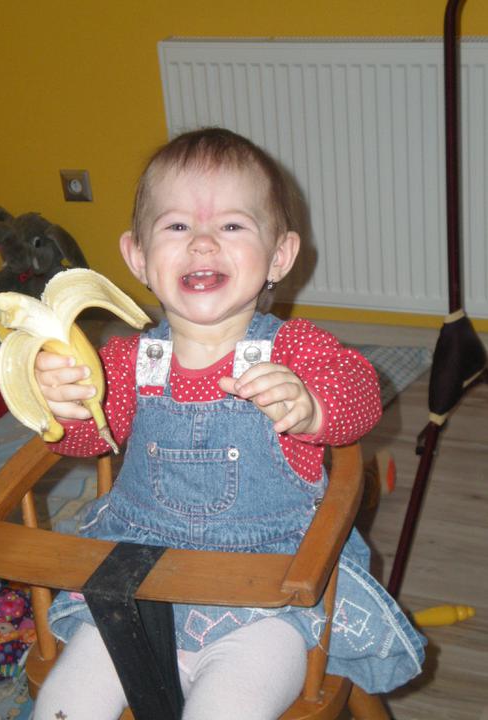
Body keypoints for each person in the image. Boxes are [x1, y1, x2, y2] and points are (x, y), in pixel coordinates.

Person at [32, 128, 425, 720]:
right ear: (138, 257)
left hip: (266, 599)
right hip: (136, 581)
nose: (202, 243)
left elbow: (363, 394)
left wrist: (312, 406)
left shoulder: (295, 349)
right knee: (64, 704)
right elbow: (91, 438)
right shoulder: (125, 360)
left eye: (232, 226)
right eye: (176, 226)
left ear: (279, 257)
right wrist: (62, 405)